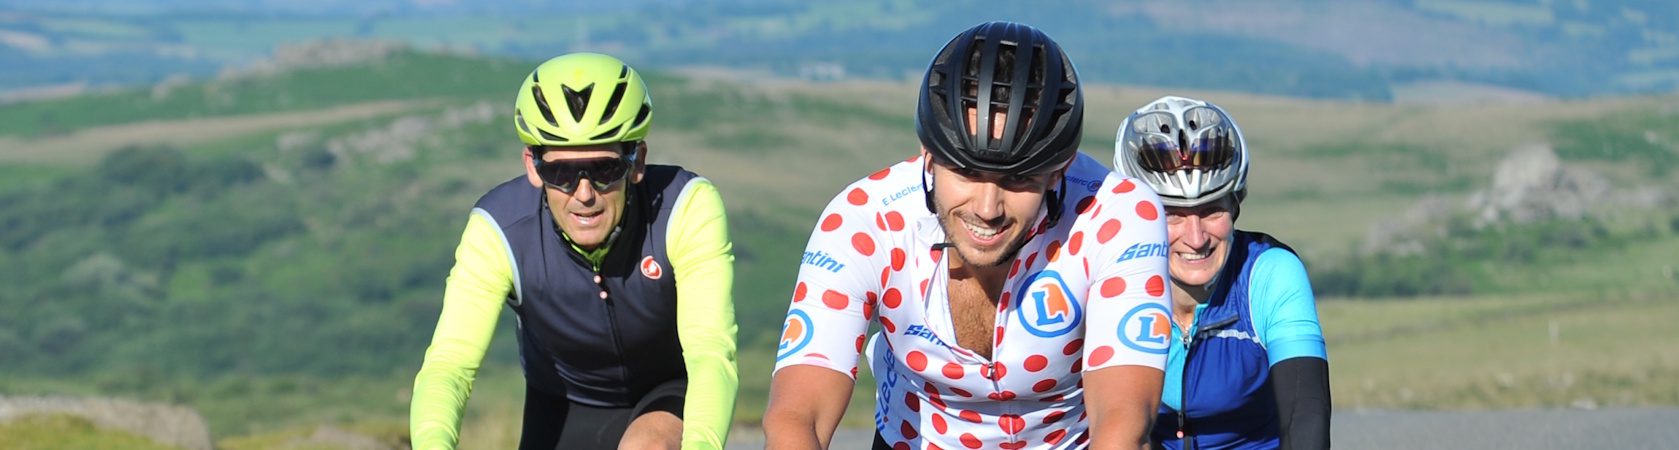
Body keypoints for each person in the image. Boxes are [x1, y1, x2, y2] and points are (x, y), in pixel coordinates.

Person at [762, 21, 1174, 450]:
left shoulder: (1117, 213)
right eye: (966, 171)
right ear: (928, 153)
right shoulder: (864, 221)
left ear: (1060, 169)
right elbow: (797, 415)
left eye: (1018, 178)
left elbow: (1123, 424)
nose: (987, 207)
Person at [409, 52, 738, 450]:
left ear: (637, 163)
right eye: (561, 173)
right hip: (562, 401)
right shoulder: (499, 230)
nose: (584, 195)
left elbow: (710, 353)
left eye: (604, 170)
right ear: (533, 167)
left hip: (668, 393)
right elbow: (449, 366)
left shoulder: (686, 208)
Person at [1110, 96, 1330, 450]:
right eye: (1173, 214)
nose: (1195, 238)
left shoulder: (1270, 273)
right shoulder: (1110, 281)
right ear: (1137, 215)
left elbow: (1305, 415)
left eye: (1212, 210)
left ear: (1235, 205)